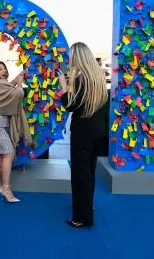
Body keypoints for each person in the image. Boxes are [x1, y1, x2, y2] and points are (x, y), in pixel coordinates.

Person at [58, 42, 108, 229]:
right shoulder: (97, 77)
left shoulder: (80, 79)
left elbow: (71, 105)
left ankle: (81, 218)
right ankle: (87, 208)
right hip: (97, 131)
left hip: (82, 133)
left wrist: (64, 88)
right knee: (89, 173)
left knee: (80, 175)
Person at [0, 61, 31, 203]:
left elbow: (8, 88)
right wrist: (20, 84)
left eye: (4, 68)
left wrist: (17, 78)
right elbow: (17, 94)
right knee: (9, 153)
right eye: (0, 69)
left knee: (0, 152)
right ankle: (5, 188)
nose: (4, 70)